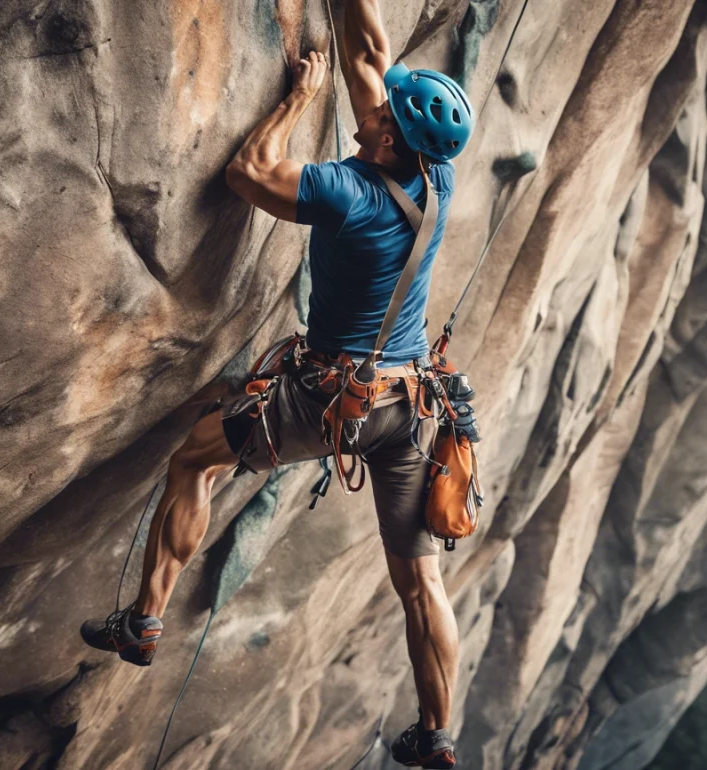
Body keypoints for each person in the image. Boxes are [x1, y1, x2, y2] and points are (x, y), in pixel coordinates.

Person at [80, 2, 475, 767]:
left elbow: (248, 173)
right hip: (410, 412)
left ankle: (144, 621)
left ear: (389, 136)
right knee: (421, 581)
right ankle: (436, 735)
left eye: (384, 112)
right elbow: (367, 55)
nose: (375, 103)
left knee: (197, 460)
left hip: (330, 401)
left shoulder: (349, 194)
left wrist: (296, 101)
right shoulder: (437, 179)